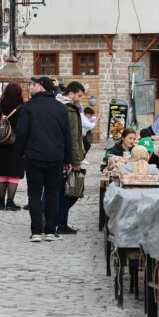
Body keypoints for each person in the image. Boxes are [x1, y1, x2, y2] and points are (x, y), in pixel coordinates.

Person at [16, 76, 71, 243]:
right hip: (55, 156)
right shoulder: (60, 108)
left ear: (41, 87)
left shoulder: (28, 107)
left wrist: (20, 154)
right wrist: (67, 159)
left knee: (34, 194)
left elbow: (21, 133)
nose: (30, 87)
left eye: (33, 85)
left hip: (33, 156)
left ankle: (36, 232)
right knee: (52, 194)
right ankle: (50, 231)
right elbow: (67, 136)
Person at [55, 81, 85, 234]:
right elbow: (73, 137)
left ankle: (52, 220)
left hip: (57, 155)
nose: (80, 99)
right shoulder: (70, 110)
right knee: (68, 191)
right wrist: (75, 160)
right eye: (79, 95)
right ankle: (61, 222)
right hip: (66, 158)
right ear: (71, 93)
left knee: (56, 190)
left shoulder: (56, 104)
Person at [0, 83, 25, 211]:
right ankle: (10, 202)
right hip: (16, 143)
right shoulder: (22, 107)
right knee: (14, 173)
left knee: (3, 173)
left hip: (1, 143)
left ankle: (0, 203)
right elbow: (24, 127)